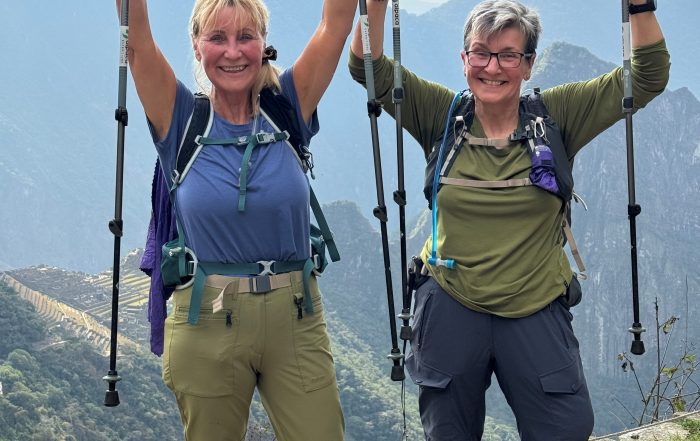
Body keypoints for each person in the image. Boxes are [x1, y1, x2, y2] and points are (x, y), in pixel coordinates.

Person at [349, 0, 669, 439]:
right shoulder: (441, 115)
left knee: (565, 429)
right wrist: (377, 6)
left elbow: (647, 77)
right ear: (464, 59)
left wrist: (640, 7)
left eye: (508, 55)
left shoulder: (557, 115)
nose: (492, 67)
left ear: (529, 64)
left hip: (534, 304)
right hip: (449, 300)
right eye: (480, 52)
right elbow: (369, 70)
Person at [118, 0, 357, 439]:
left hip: (297, 317)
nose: (233, 52)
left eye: (246, 37)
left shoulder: (288, 106)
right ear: (196, 47)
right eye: (218, 38)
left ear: (264, 45)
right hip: (205, 319)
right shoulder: (181, 119)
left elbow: (336, 24)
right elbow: (137, 41)